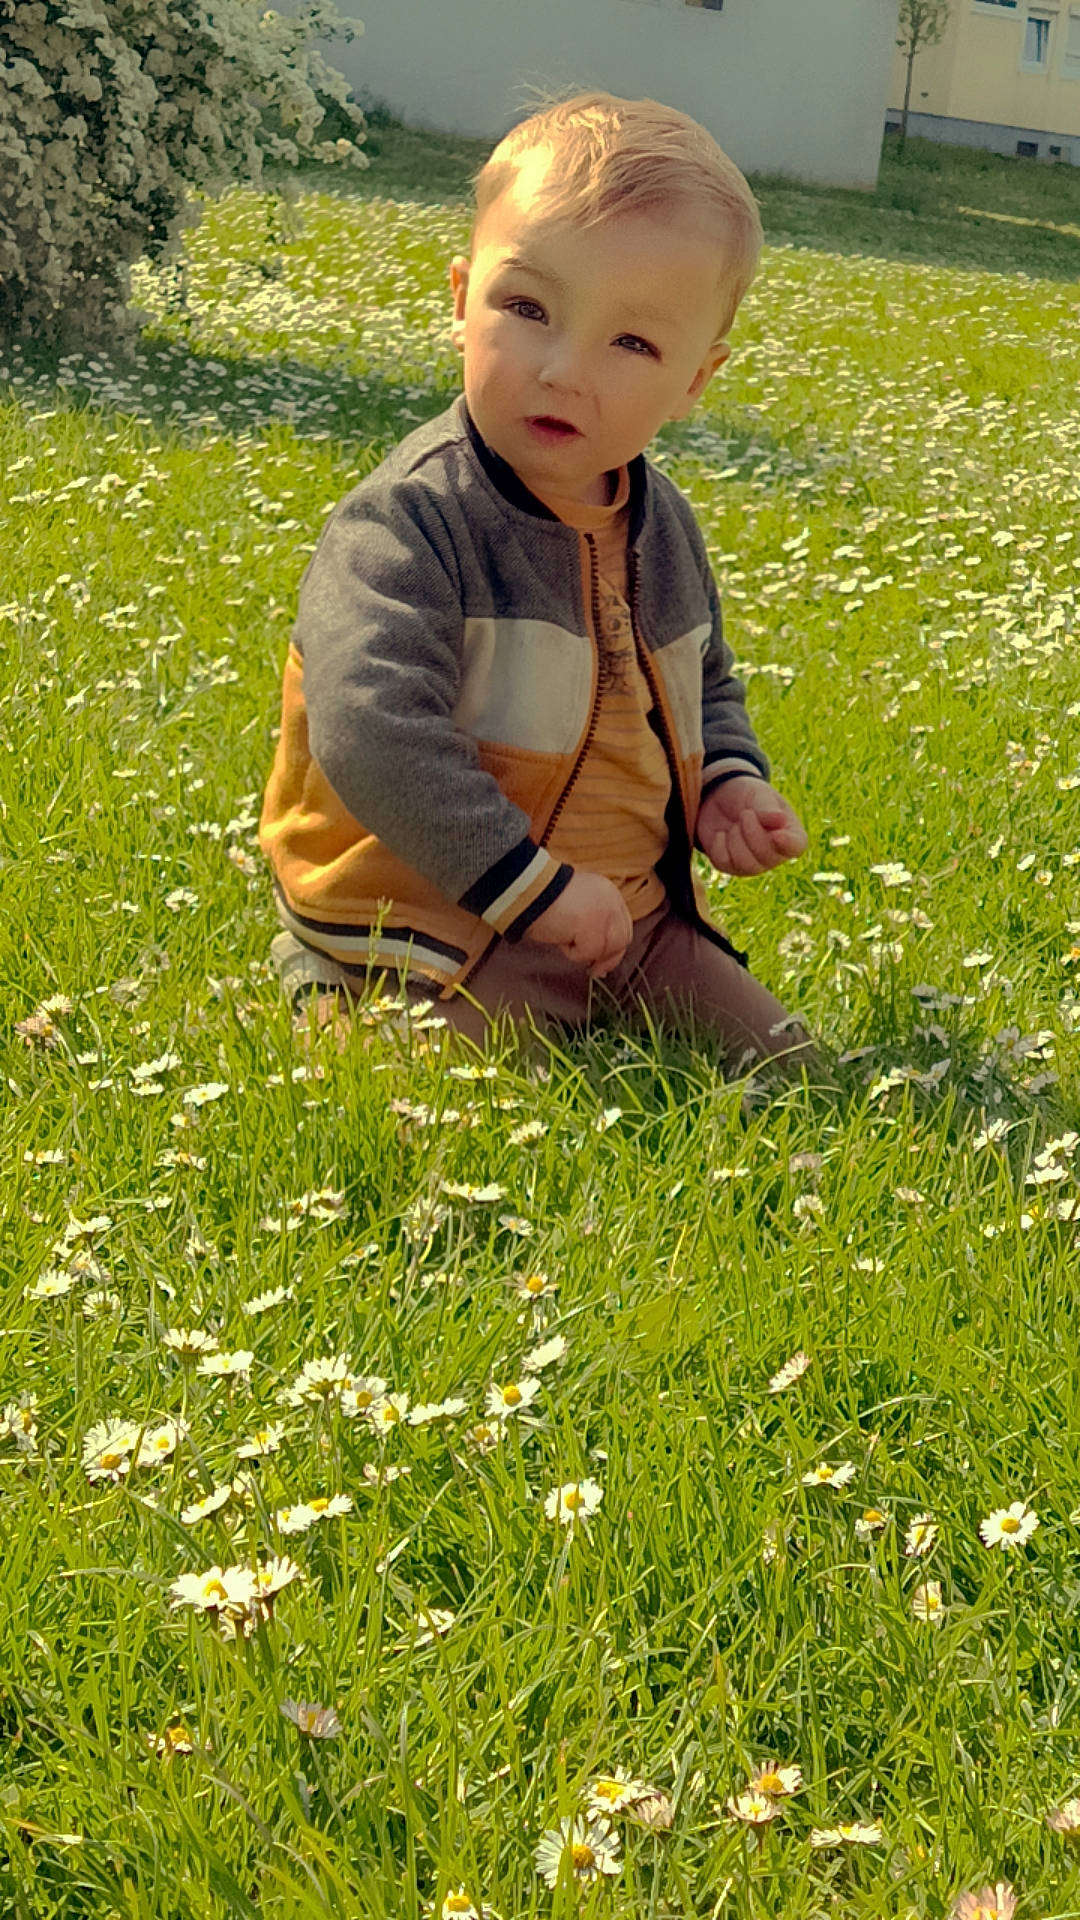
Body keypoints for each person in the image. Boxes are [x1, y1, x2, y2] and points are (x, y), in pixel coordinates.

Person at [259, 88, 820, 1074]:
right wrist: (533, 890)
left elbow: (703, 681)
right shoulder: (412, 522)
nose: (564, 368)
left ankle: (604, 995)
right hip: (442, 929)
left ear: (697, 379)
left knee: (801, 1072)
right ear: (460, 299)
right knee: (432, 1110)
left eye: (632, 342)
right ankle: (330, 986)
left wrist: (726, 782)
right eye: (527, 309)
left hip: (631, 926)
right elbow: (374, 730)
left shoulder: (665, 527)